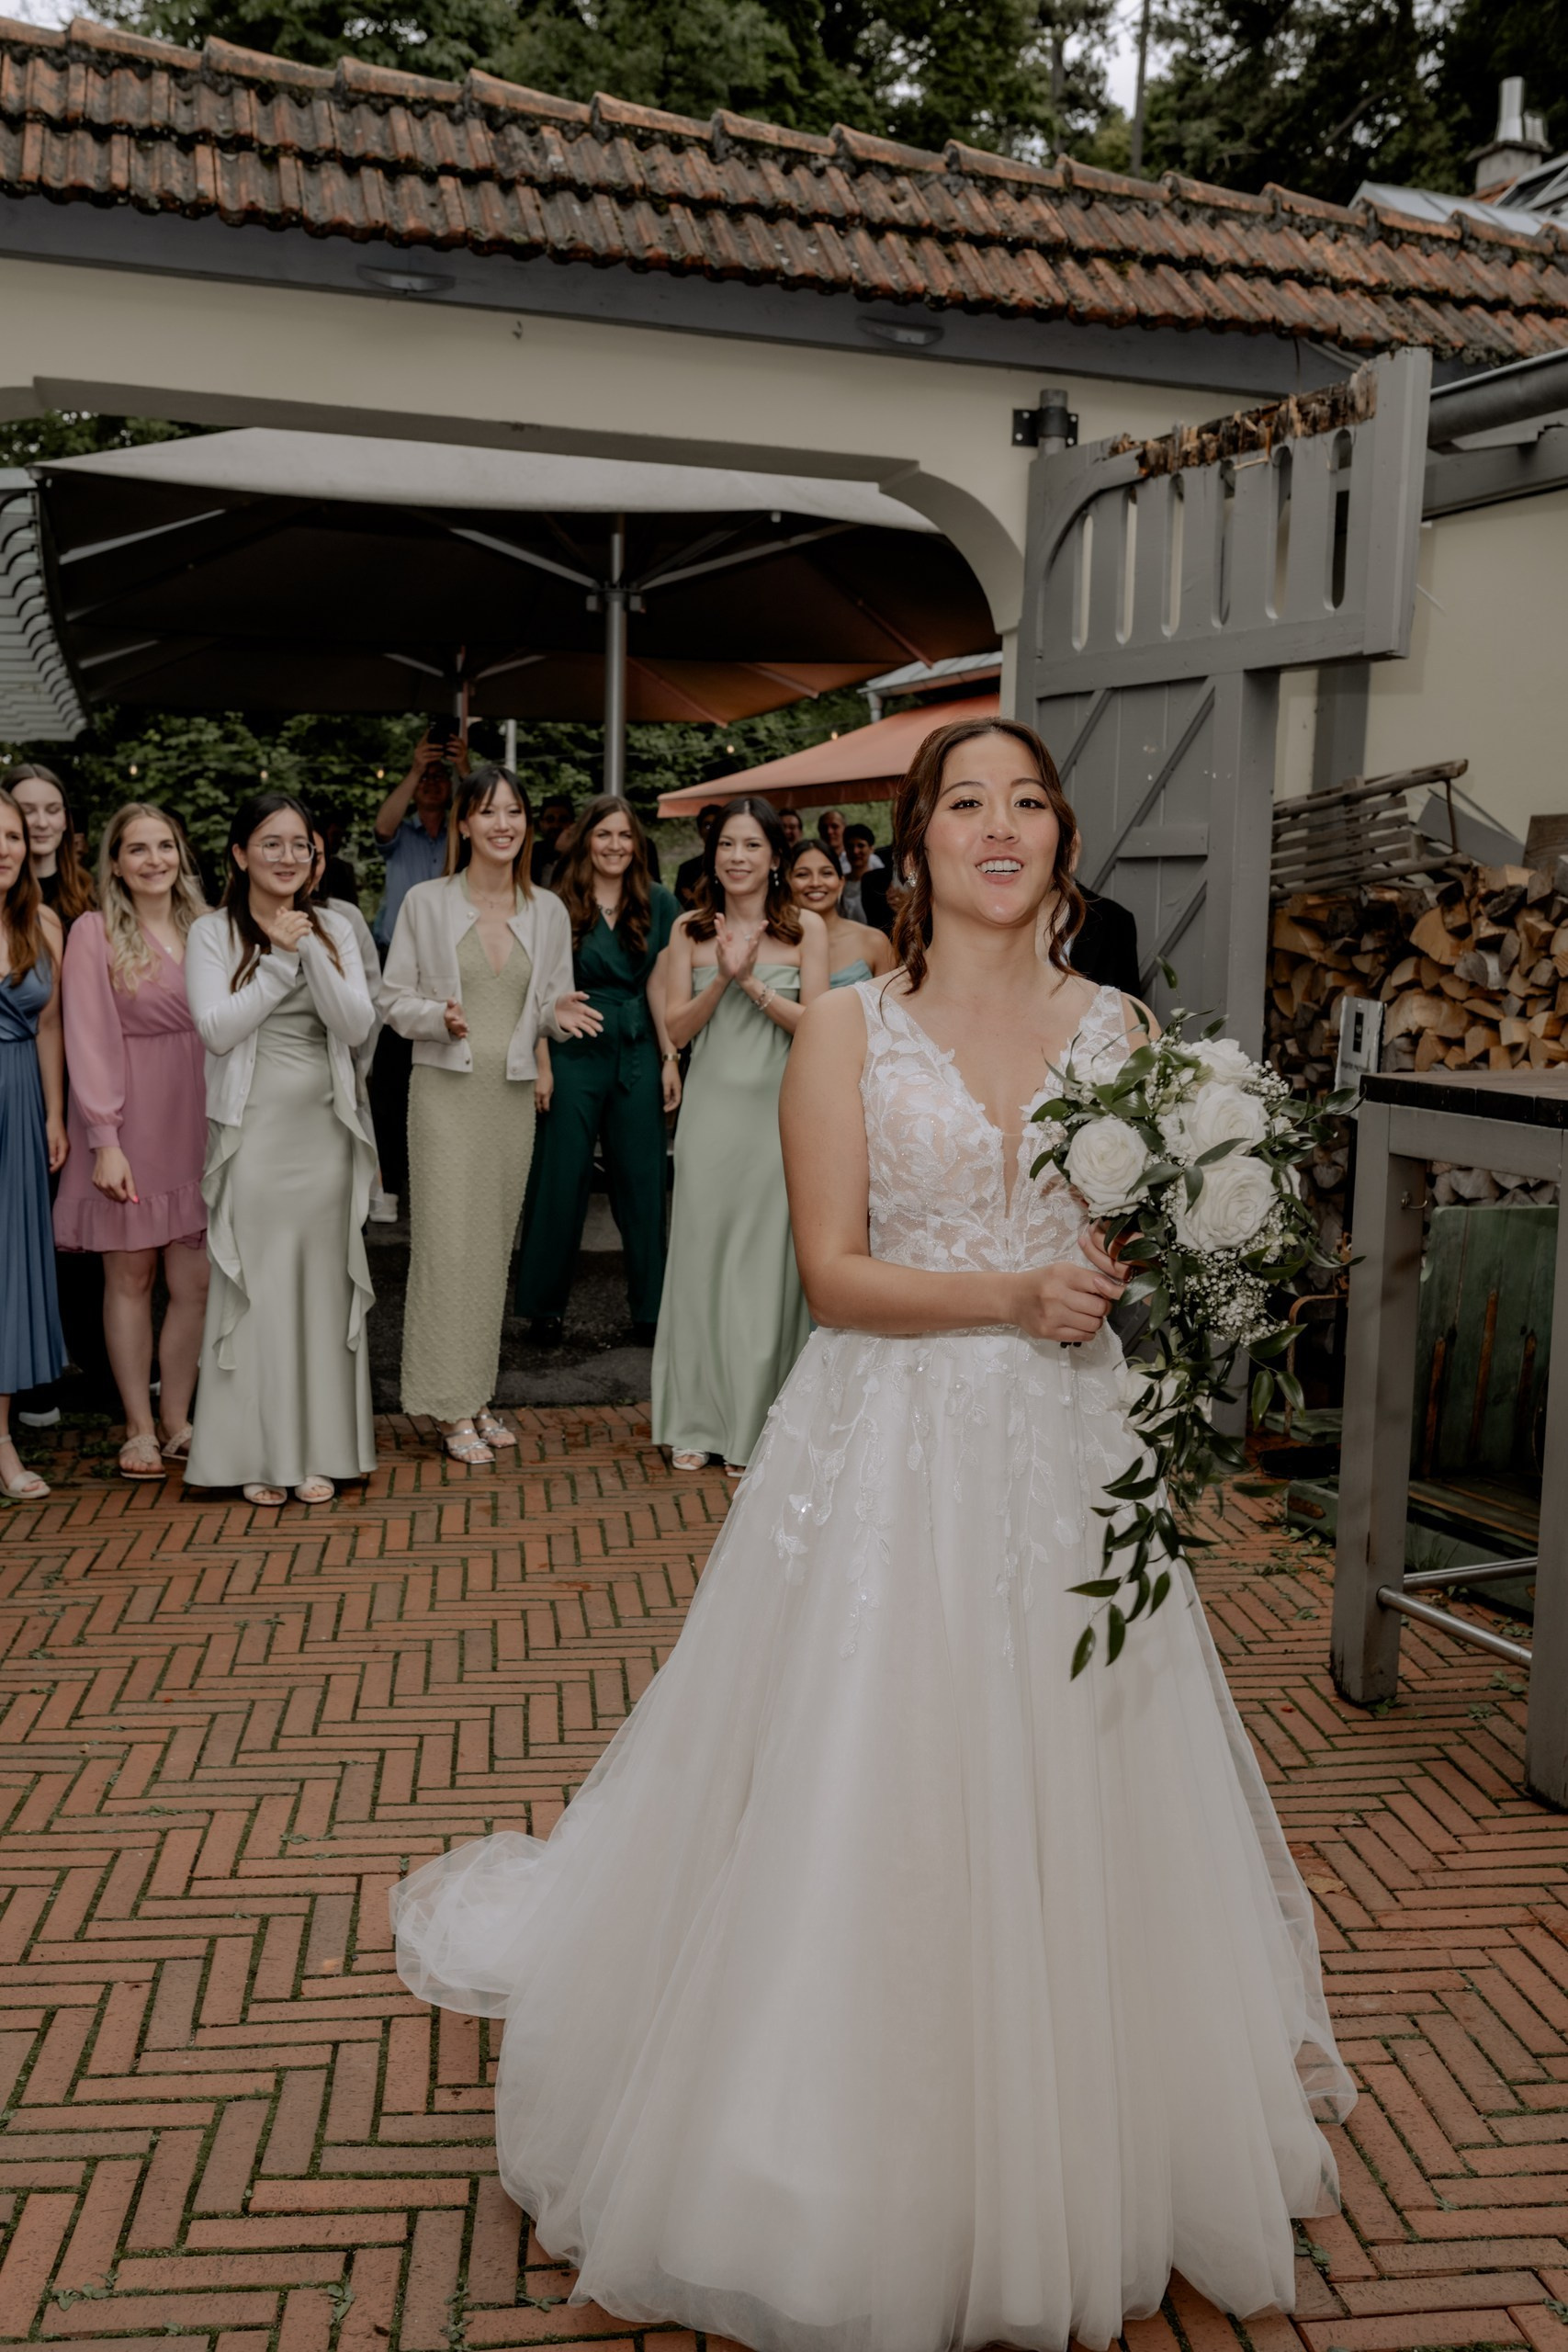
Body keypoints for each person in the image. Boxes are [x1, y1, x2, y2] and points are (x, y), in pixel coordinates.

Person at [389, 715, 1353, 2352]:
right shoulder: (847, 1030)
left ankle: (1076, 2142)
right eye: (964, 803)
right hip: (888, 1444)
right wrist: (1010, 1293)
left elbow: (1134, 1239)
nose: (999, 826)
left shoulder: (1124, 1026)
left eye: (1027, 803)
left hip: (1063, 1451)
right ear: (915, 846)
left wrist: (1183, 1250)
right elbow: (831, 1275)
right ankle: (820, 2155)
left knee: (1074, 1774)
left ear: (1058, 841)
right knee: (867, 1776)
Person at [384, 765, 598, 1464]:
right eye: (488, 812)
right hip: (445, 1093)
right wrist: (435, 1016)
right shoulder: (424, 901)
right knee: (448, 1249)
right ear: (464, 825)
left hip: (507, 1098)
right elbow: (392, 1001)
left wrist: (556, 1018)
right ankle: (446, 1407)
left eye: (514, 811)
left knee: (489, 1252)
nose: (503, 823)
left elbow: (545, 1008)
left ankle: (476, 1395)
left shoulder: (548, 911)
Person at [185, 792, 377, 1510]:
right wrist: (275, 961)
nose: (288, 857)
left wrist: (313, 953)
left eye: (300, 845)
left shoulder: (336, 926)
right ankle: (256, 1452)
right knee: (258, 1290)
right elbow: (216, 1030)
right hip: (254, 1131)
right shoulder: (211, 933)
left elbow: (356, 1024)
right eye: (271, 843)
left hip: (325, 1133)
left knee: (320, 1290)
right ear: (239, 854)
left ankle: (321, 1450)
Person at [650, 796, 829, 1475]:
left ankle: (758, 1424)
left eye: (751, 845)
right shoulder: (687, 932)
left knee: (765, 1272)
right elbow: (675, 1031)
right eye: (727, 844)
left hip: (781, 1117)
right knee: (700, 1261)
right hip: (711, 1117)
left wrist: (750, 979)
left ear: (775, 857)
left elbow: (815, 1023)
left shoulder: (806, 929)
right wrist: (719, 978)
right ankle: (693, 1418)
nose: (737, 857)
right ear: (711, 854)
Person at [53, 805, 210, 1480]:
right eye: (137, 849)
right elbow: (87, 1036)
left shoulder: (208, 928)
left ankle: (178, 1420)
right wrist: (104, 1136)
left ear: (182, 854)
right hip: (128, 1118)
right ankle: (138, 1428)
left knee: (195, 1280)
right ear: (114, 862)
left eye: (165, 846)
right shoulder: (92, 931)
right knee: (130, 1273)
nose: (154, 860)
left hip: (201, 1117)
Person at [514, 797, 681, 1347]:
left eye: (625, 836)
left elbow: (661, 985)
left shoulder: (658, 901)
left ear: (637, 845)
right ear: (586, 840)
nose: (614, 846)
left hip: (636, 1046)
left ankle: (653, 1310)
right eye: (604, 835)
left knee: (643, 1181)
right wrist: (541, 1061)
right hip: (570, 1049)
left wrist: (669, 1057)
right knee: (560, 1178)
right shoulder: (555, 902)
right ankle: (544, 1309)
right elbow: (536, 987)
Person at [3, 761, 109, 1425]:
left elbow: (59, 1022)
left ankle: (51, 1369)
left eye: (50, 810)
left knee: (51, 1239)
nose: (36, 825)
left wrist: (58, 1110)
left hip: (57, 1089)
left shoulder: (75, 906)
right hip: (34, 1085)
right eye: (23, 813)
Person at [0, 788, 67, 1502]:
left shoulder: (42, 921)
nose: (6, 847)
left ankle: (1, 1441)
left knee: (7, 1271)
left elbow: (49, 1027)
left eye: (13, 835)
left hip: (18, 1106)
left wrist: (54, 1116)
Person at [367, 725, 461, 1215]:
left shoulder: (462, 835)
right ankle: (388, 1186)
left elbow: (481, 814)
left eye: (439, 776)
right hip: (396, 962)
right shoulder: (400, 834)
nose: (432, 781)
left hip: (449, 964)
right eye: (427, 776)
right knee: (388, 1080)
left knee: (442, 1075)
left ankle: (434, 1188)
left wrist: (463, 769)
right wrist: (413, 767)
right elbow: (382, 824)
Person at [787, 840, 895, 988]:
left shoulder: (874, 941)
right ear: (787, 883)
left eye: (826, 873)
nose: (815, 882)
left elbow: (889, 1007)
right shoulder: (773, 942)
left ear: (841, 883)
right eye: (802, 875)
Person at [2, 763, 96, 925]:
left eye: (53, 810)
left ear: (66, 820)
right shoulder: (4, 892)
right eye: (27, 811)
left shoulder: (92, 894)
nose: (42, 823)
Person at [839, 821, 895, 933]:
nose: (855, 851)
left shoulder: (882, 882)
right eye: (850, 846)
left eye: (861, 845)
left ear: (871, 849)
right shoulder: (840, 882)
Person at [673, 803, 724, 907]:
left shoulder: (733, 865)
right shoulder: (686, 869)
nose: (712, 830)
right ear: (700, 831)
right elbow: (680, 906)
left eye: (716, 825)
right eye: (708, 825)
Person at [530, 794, 577, 889]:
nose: (556, 825)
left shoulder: (581, 854)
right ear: (541, 824)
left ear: (572, 823)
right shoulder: (531, 854)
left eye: (563, 820)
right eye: (550, 819)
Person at [816, 805, 850, 871]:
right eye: (824, 828)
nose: (829, 832)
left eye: (835, 826)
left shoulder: (864, 859)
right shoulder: (812, 859)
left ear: (845, 829)